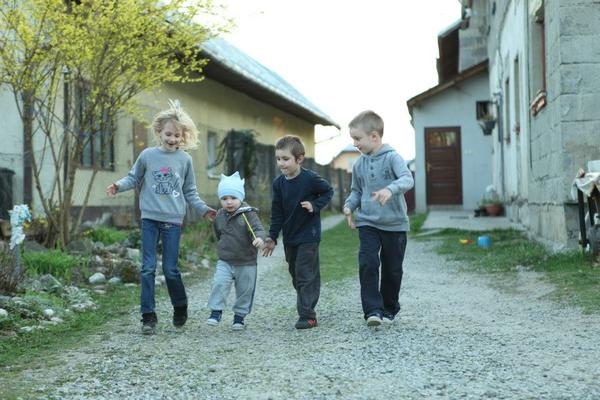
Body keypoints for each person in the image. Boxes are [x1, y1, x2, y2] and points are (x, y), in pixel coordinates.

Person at [106, 100, 216, 335]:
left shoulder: (185, 160)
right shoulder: (147, 155)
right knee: (147, 268)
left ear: (182, 136)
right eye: (168, 134)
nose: (172, 139)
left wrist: (203, 209)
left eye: (177, 135)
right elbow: (133, 178)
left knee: (170, 269)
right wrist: (118, 186)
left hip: (173, 221)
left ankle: (180, 306)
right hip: (149, 219)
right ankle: (148, 316)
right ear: (159, 132)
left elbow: (190, 191)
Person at [342, 110, 414, 327]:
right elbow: (356, 191)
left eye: (357, 138)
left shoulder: (393, 157)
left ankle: (389, 309)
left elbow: (407, 179)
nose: (354, 143)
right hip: (368, 222)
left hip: (395, 224)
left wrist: (390, 189)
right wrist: (349, 206)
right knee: (368, 263)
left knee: (392, 269)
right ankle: (372, 310)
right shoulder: (359, 164)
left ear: (374, 136)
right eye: (353, 139)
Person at [263, 135, 333, 329]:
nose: (281, 163)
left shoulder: (310, 179)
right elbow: (277, 212)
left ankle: (308, 316)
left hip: (309, 235)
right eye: (278, 159)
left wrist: (314, 205)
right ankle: (307, 301)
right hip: (290, 236)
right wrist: (272, 237)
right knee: (296, 274)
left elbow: (328, 191)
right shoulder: (278, 184)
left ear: (299, 159)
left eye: (285, 159)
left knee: (304, 273)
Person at [206, 172, 266, 330]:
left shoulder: (248, 214)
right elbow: (218, 233)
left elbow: (258, 229)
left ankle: (239, 317)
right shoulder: (219, 215)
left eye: (233, 198)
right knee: (219, 284)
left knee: (245, 290)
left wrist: (260, 239)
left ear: (240, 197)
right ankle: (216, 311)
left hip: (246, 261)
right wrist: (222, 246)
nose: (229, 202)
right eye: (224, 198)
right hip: (225, 260)